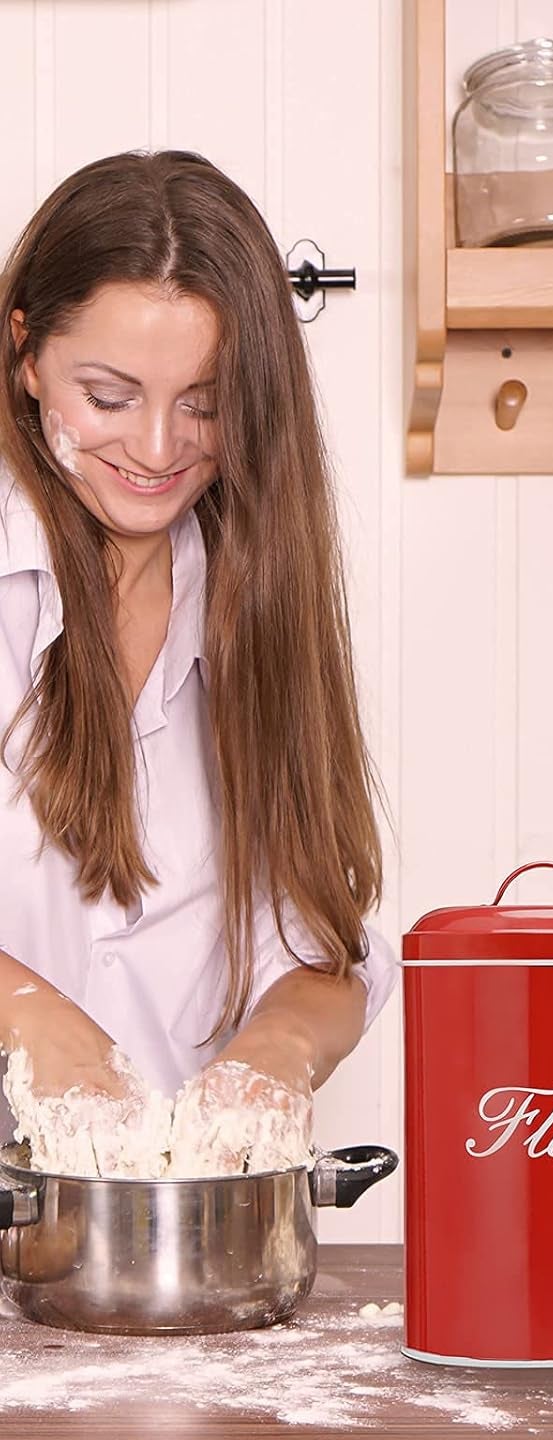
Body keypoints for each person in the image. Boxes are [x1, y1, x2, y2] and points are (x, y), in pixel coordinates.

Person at [0, 150, 394, 1172]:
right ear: (26, 355)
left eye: (206, 402)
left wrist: (277, 1048)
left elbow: (320, 951)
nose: (161, 446)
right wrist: (25, 1011)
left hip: (155, 1252)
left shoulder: (253, 599)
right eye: (110, 395)